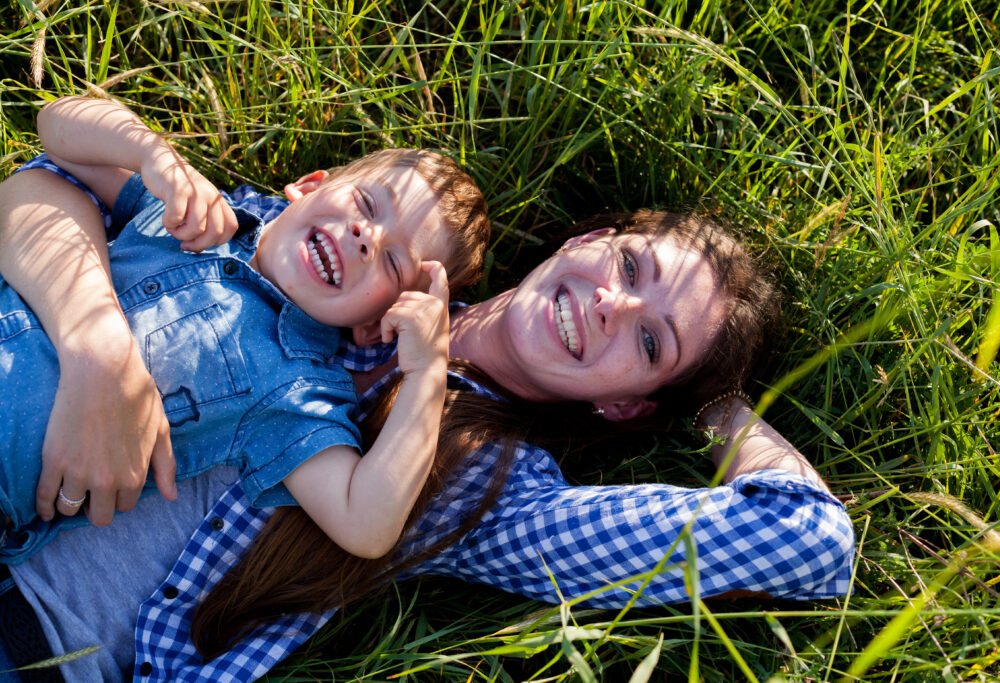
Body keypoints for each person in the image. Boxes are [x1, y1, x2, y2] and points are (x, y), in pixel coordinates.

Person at [0, 149, 854, 681]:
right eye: (628, 265)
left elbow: (805, 541)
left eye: (652, 342)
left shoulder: (494, 489)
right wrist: (94, 345)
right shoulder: (343, 239)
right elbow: (49, 182)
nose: (610, 304)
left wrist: (713, 406)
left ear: (625, 401)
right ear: (585, 240)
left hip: (33, 635)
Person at [0, 96, 491, 566]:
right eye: (366, 203)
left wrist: (427, 369)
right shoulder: (190, 213)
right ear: (309, 184)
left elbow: (367, 525)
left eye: (392, 261)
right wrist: (150, 152)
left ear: (374, 326)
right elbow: (57, 129)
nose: (367, 236)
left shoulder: (295, 389)